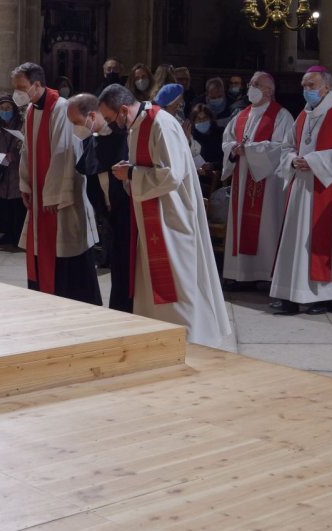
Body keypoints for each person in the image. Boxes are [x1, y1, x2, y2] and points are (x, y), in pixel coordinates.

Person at [99, 83, 234, 349]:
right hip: (152, 218)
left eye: (109, 118)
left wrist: (131, 174)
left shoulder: (161, 124)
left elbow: (172, 174)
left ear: (124, 110)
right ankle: (158, 337)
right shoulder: (135, 128)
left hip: (172, 218)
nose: (110, 124)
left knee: (178, 282)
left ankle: (190, 339)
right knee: (152, 282)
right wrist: (130, 173)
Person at [269, 67, 332, 315]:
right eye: (304, 86)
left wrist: (314, 161)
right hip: (301, 188)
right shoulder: (303, 116)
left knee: (320, 243)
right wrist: (293, 159)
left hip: (327, 189)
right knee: (295, 242)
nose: (305, 90)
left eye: (311, 85)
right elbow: (287, 146)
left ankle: (321, 297)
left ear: (327, 87)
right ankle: (291, 293)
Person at [11, 61, 100, 304]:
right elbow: (28, 150)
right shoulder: (31, 110)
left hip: (61, 198)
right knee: (43, 251)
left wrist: (51, 196)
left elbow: (63, 152)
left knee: (67, 253)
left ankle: (72, 301)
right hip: (41, 194)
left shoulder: (60, 108)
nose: (17, 92)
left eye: (21, 87)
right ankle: (43, 296)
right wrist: (26, 185)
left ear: (37, 85)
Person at [221, 71, 295, 286]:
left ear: (269, 90)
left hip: (268, 183)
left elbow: (283, 147)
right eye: (250, 83)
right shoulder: (241, 114)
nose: (249, 87)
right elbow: (227, 141)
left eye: (255, 84)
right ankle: (239, 274)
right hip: (241, 179)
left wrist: (250, 150)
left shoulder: (281, 116)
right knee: (240, 224)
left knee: (265, 226)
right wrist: (234, 150)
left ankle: (264, 274)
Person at [68, 92, 132, 312]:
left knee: (128, 270)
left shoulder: (124, 135)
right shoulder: (94, 139)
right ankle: (119, 309)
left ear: (92, 115)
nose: (74, 127)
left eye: (76, 122)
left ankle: (128, 311)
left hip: (129, 214)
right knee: (117, 268)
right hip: (110, 215)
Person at [0, 93, 27, 250]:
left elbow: (25, 145)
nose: (5, 111)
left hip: (16, 171)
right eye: (2, 108)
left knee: (16, 205)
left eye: (8, 108)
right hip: (1, 170)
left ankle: (18, 237)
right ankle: (6, 235)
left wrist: (15, 155)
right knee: (3, 204)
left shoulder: (20, 124)